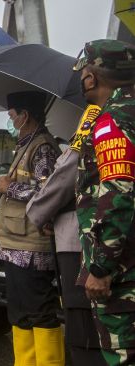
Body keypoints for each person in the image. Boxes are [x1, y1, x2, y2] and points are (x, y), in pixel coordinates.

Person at [26, 104, 106, 366]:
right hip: (116, 239)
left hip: (82, 238)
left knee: (85, 329)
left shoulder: (96, 113)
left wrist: (38, 210)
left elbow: (68, 170)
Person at [73, 39, 135, 366]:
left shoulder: (113, 121)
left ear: (92, 77)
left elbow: (118, 195)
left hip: (124, 274)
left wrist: (100, 266)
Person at [0, 91, 63, 365]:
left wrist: (7, 187)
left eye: (12, 116)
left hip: (32, 246)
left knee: (39, 311)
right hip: (14, 244)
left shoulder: (43, 146)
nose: (10, 121)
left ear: (25, 115)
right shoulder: (25, 144)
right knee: (20, 312)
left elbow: (48, 191)